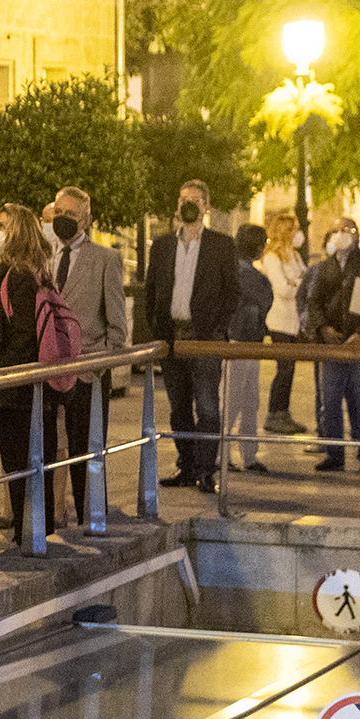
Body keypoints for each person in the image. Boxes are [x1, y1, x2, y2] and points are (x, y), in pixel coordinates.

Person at [145, 179, 239, 493]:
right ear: (177, 204)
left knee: (208, 407)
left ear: (206, 206)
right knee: (179, 407)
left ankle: (206, 471)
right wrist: (156, 330)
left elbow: (232, 292)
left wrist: (218, 329)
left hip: (205, 338)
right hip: (172, 337)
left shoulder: (221, 245)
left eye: (196, 199)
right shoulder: (162, 245)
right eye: (184, 198)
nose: (189, 204)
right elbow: (151, 291)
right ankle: (186, 467)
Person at [0, 203, 63, 537]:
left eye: (2, 225)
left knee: (20, 461)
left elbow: (24, 334)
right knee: (29, 460)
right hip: (24, 387)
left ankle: (30, 534)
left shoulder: (19, 275)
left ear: (18, 233)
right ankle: (33, 530)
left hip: (16, 388)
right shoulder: (30, 271)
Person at [45, 186, 129, 496]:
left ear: (86, 219)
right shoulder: (42, 256)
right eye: (59, 212)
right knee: (46, 453)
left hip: (86, 372)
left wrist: (99, 365)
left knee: (87, 454)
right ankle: (47, 517)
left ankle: (91, 515)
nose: (63, 218)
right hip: (47, 371)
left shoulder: (106, 259)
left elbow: (117, 326)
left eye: (71, 213)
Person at [304, 214, 360, 476]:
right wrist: (323, 328)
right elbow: (314, 301)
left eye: (348, 230)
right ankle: (334, 454)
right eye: (338, 230)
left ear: (357, 235)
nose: (342, 234)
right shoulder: (326, 266)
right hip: (333, 346)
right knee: (329, 403)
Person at [223, 223, 275, 478]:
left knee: (240, 401)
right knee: (241, 401)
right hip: (244, 342)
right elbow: (263, 304)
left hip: (239, 341)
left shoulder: (233, 272)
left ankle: (233, 454)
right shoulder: (253, 278)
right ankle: (242, 454)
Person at [256, 209, 309, 436]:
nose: (298, 233)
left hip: (293, 321)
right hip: (279, 320)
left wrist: (295, 282)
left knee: (289, 369)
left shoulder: (294, 256)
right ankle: (274, 414)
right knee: (284, 369)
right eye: (294, 229)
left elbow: (305, 281)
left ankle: (283, 412)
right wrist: (296, 283)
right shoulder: (272, 257)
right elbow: (282, 289)